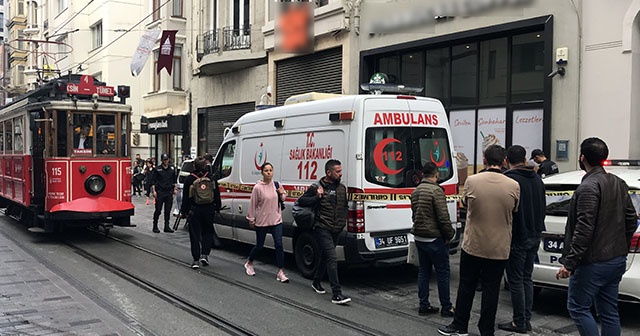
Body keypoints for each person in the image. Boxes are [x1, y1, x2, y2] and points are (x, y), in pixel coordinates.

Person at [555, 137, 637, 336]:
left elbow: (584, 229)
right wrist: (622, 248)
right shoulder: (618, 183)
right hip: (615, 260)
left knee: (578, 307)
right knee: (609, 311)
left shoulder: (588, 188)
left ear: (582, 157)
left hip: (592, 263)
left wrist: (569, 263)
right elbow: (631, 220)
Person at [439, 145, 520, 336]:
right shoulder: (513, 185)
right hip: (500, 246)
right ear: (504, 161)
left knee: (466, 285)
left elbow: (466, 204)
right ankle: (486, 330)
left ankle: (460, 325)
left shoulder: (472, 181)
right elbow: (514, 210)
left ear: (484, 160)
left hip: (473, 244)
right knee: (492, 290)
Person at [498, 145, 546, 334]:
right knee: (527, 277)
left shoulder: (509, 180)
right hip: (535, 234)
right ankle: (526, 318)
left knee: (515, 280)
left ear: (506, 160)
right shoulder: (537, 179)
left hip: (517, 236)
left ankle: (519, 321)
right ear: (525, 159)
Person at [297, 159, 351, 305]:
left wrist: (343, 222)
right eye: (337, 171)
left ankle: (316, 281)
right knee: (332, 258)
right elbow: (301, 201)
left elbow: (344, 206)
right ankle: (337, 294)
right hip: (322, 228)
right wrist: (317, 197)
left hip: (336, 229)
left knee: (324, 256)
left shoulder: (342, 188)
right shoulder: (317, 187)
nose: (341, 174)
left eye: (341, 171)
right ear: (329, 173)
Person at [410, 162, 455, 317]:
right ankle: (446, 307)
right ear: (436, 175)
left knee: (423, 271)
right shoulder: (436, 191)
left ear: (423, 174)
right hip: (434, 238)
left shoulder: (415, 191)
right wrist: (450, 234)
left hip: (419, 237)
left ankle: (424, 305)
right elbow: (443, 218)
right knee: (443, 272)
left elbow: (414, 215)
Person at [243, 162, 289, 282]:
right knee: (259, 246)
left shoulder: (276, 184)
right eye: (266, 170)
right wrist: (251, 219)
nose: (269, 172)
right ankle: (249, 262)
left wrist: (281, 193)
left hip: (276, 220)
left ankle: (280, 271)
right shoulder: (258, 187)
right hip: (262, 221)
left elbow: (283, 198)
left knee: (279, 245)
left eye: (270, 170)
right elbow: (253, 204)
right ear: (262, 172)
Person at [180, 157, 221, 269]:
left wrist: (184, 211)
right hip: (208, 209)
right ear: (204, 166)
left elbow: (185, 197)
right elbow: (216, 193)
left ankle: (196, 259)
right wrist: (218, 207)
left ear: (194, 166)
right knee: (207, 231)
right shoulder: (210, 177)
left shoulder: (190, 179)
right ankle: (205, 254)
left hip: (195, 209)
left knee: (194, 234)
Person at [151, 153, 177, 233]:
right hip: (160, 192)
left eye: (167, 159)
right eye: (164, 160)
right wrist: (154, 191)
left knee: (168, 210)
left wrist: (175, 189)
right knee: (158, 210)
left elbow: (174, 180)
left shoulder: (172, 169)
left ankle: (167, 226)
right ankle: (155, 225)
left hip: (169, 192)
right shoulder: (157, 169)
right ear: (162, 160)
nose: (166, 161)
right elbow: (153, 181)